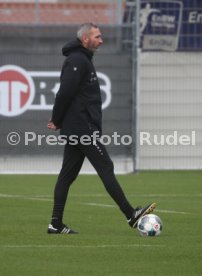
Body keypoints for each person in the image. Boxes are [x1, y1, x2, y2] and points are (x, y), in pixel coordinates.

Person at [47, 22, 156, 234]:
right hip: (82, 129)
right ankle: (131, 215)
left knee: (67, 175)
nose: (101, 40)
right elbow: (65, 93)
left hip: (78, 127)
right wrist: (56, 119)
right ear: (85, 39)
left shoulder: (82, 58)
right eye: (97, 36)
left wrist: (60, 121)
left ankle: (55, 224)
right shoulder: (78, 60)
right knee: (105, 167)